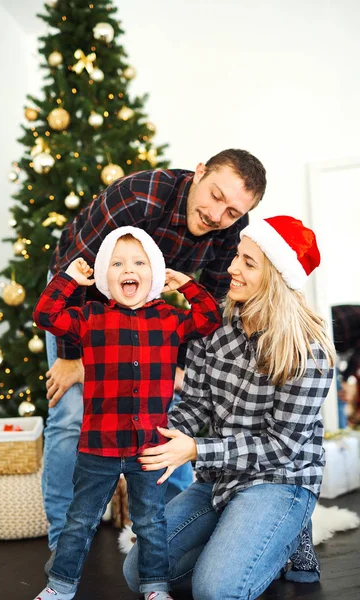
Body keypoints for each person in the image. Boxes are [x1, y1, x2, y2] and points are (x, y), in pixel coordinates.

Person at [42, 148, 267, 563]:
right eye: (216, 196)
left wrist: (182, 367)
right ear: (199, 172)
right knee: (71, 415)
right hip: (84, 307)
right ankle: (63, 542)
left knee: (168, 419)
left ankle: (164, 536)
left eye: (233, 212)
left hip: (152, 322)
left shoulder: (229, 230)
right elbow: (73, 266)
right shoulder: (141, 196)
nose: (219, 216)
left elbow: (214, 302)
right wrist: (75, 358)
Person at [124, 216, 336, 600]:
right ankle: (243, 534)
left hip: (280, 480)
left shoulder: (309, 353)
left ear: (276, 277)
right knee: (138, 571)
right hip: (219, 478)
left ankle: (285, 536)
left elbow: (281, 447)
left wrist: (196, 449)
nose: (232, 268)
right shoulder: (214, 327)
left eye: (248, 263)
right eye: (238, 255)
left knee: (215, 590)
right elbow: (195, 404)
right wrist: (152, 438)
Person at [33, 227, 222, 600]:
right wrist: (68, 280)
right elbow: (46, 315)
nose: (127, 269)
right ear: (104, 276)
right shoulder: (90, 317)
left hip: (150, 449)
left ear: (154, 275)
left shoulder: (169, 319)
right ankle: (60, 585)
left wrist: (187, 286)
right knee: (80, 521)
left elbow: (209, 318)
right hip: (98, 448)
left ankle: (154, 586)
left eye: (138, 262)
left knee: (152, 521)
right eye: (116, 263)